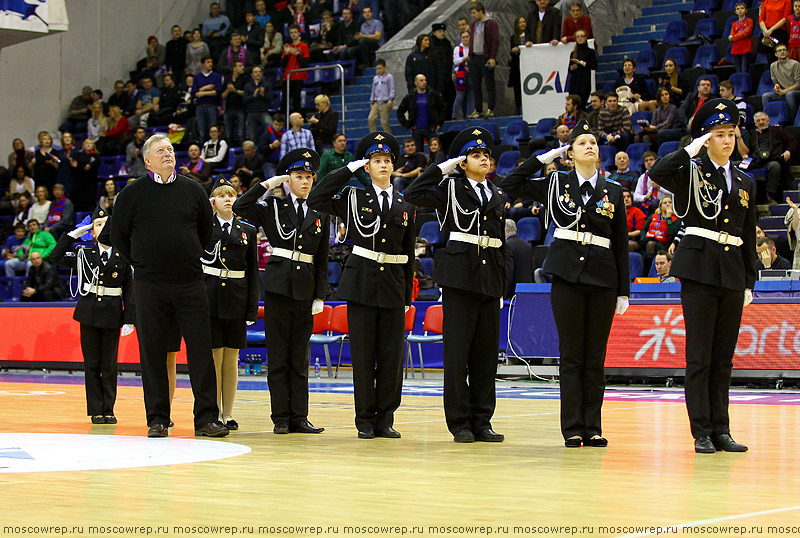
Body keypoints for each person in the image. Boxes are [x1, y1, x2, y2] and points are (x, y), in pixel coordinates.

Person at [502, 120, 629, 447]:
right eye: (581, 142)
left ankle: (593, 426)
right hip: (567, 277)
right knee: (572, 355)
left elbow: (620, 242)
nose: (590, 146)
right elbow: (511, 181)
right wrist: (545, 157)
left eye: (593, 142)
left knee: (595, 357)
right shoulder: (556, 183)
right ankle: (572, 427)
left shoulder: (613, 190)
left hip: (602, 278)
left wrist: (624, 290)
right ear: (570, 153)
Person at [648, 98, 756, 453]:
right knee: (700, 356)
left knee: (723, 356)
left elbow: (748, 232)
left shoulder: (745, 181)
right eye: (718, 134)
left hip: (732, 270)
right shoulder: (690, 171)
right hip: (698, 268)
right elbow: (657, 173)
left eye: (730, 133)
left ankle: (722, 428)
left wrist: (750, 281)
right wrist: (688, 148)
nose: (726, 140)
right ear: (706, 139)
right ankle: (702, 431)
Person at [110, 134, 228, 439]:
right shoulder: (131, 194)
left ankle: (206, 419)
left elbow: (206, 231)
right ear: (147, 159)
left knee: (201, 351)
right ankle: (158, 419)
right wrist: (141, 261)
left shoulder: (193, 189)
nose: (168, 154)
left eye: (171, 150)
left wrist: (189, 255)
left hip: (190, 282)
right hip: (150, 286)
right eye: (161, 150)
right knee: (152, 353)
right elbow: (119, 237)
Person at [307, 132, 415, 440]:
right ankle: (366, 418)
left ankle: (386, 418)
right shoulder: (354, 197)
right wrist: (348, 170)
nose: (382, 165)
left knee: (392, 358)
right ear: (367, 167)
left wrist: (407, 295)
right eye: (375, 161)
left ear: (393, 166)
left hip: (393, 285)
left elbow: (408, 254)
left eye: (386, 161)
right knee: (365, 356)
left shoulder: (405, 205)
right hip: (362, 283)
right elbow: (317, 198)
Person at [405, 127, 506, 444]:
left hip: (490, 280)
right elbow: (412, 193)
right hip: (460, 278)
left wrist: (501, 284)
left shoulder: (498, 194)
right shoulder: (449, 190)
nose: (483, 160)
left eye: (486, 155)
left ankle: (482, 420)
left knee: (486, 357)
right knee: (458, 355)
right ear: (463, 162)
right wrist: (443, 166)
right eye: (475, 156)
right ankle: (460, 422)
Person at [233, 149, 329, 434]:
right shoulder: (273, 206)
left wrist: (320, 295)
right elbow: (240, 206)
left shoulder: (319, 212)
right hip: (277, 288)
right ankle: (281, 418)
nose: (304, 182)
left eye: (309, 177)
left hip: (305, 289)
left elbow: (322, 258)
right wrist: (266, 185)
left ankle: (300, 416)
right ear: (288, 180)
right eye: (298, 176)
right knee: (278, 358)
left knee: (300, 358)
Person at [50, 206, 134, 424]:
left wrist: (129, 319)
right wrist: (72, 236)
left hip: (112, 314)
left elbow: (129, 289)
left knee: (109, 365)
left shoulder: (122, 255)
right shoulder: (84, 253)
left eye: (106, 224)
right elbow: (55, 256)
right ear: (92, 231)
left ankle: (109, 409)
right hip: (88, 313)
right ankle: (96, 409)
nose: (103, 227)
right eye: (98, 224)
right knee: (92, 364)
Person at [201, 177, 259, 429]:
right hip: (209, 297)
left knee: (232, 358)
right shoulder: (203, 228)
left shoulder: (247, 231)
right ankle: (212, 411)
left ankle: (229, 412)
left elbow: (253, 272)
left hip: (236, 298)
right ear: (212, 201)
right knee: (214, 357)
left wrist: (251, 308)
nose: (228, 199)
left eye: (232, 195)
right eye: (222, 195)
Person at [737, 111, 795, 205]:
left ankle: (770, 196)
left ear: (768, 121)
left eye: (763, 120)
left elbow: (792, 141)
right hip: (756, 160)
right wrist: (746, 156)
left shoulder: (777, 130)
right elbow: (748, 151)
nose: (761, 122)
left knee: (775, 166)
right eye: (758, 121)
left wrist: (788, 151)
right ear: (755, 123)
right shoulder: (752, 135)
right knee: (737, 165)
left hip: (772, 160)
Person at [397, 74, 445, 155]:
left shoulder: (433, 95)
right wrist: (407, 124)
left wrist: (439, 122)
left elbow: (443, 108)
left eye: (425, 80)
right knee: (419, 154)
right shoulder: (411, 96)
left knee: (436, 152)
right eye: (421, 80)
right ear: (416, 83)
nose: (424, 82)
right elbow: (400, 112)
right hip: (417, 129)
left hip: (431, 128)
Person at [468, 2, 499, 119]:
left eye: (474, 13)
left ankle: (491, 108)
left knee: (489, 84)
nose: (473, 15)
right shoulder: (473, 25)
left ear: (481, 11)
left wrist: (492, 57)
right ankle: (478, 109)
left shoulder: (491, 23)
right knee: (475, 85)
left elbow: (495, 41)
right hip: (474, 57)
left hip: (485, 56)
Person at [639, 195, 681, 272]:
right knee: (630, 245)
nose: (667, 204)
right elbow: (643, 230)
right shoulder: (653, 216)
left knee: (651, 245)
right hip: (647, 240)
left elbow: (672, 233)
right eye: (665, 203)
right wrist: (643, 238)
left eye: (670, 202)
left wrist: (669, 217)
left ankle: (646, 273)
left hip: (663, 245)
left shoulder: (676, 220)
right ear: (660, 206)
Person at [761, 43, 800, 121]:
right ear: (776, 54)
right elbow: (775, 81)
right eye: (779, 50)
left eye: (784, 50)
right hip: (783, 91)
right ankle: (768, 120)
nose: (782, 52)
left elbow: (798, 84)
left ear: (787, 52)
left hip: (796, 91)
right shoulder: (773, 66)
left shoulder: (795, 64)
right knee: (765, 96)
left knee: (789, 94)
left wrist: (784, 91)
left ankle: (791, 120)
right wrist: (777, 86)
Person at [191, 57, 224, 143]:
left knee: (213, 131)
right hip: (200, 107)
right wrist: (207, 88)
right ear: (203, 64)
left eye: (211, 62)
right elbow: (194, 93)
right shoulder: (197, 77)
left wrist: (202, 93)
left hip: (212, 106)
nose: (211, 64)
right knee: (202, 132)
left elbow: (218, 91)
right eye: (208, 62)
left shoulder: (216, 76)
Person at [281, 25, 310, 114]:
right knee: (285, 101)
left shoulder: (304, 46)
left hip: (298, 76)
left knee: (296, 100)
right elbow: (282, 64)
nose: (293, 34)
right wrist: (286, 54)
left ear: (299, 33)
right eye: (291, 33)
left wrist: (297, 54)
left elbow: (305, 63)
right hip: (288, 77)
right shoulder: (288, 47)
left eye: (295, 32)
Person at [566, 30, 597, 109]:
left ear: (586, 37)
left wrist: (581, 63)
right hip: (574, 82)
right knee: (573, 105)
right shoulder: (573, 53)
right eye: (578, 36)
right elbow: (569, 69)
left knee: (582, 104)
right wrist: (572, 68)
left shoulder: (590, 52)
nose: (580, 38)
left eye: (582, 36)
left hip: (584, 82)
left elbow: (594, 65)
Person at [430, 22, 455, 116]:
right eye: (440, 31)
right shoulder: (431, 45)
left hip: (448, 77)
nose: (442, 33)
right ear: (434, 33)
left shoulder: (447, 44)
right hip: (437, 78)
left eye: (443, 31)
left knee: (450, 99)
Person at [243, 65, 274, 141]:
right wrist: (253, 96)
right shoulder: (247, 86)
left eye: (259, 72)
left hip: (263, 112)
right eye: (255, 72)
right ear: (252, 74)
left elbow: (270, 98)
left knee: (271, 127)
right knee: (252, 136)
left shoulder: (267, 85)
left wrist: (263, 95)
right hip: (251, 113)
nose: (258, 73)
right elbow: (244, 100)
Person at [504, 219, 533, 297]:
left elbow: (508, 271)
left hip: (513, 294)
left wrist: (504, 293)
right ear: (515, 230)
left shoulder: (507, 245)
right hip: (527, 291)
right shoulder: (526, 245)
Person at [70, 139, 100, 212]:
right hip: (80, 182)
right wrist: (81, 167)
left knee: (90, 203)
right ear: (83, 145)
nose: (88, 145)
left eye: (90, 143)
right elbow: (76, 166)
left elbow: (93, 165)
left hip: (91, 182)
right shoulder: (78, 155)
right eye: (87, 143)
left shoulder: (96, 155)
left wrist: (82, 166)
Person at [222, 60, 247, 147]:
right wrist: (228, 91)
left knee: (241, 134)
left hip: (240, 108)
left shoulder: (245, 79)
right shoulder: (227, 79)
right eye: (239, 66)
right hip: (228, 109)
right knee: (228, 135)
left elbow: (246, 93)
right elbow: (223, 96)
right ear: (234, 68)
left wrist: (235, 90)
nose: (242, 67)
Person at [509, 17, 531, 116]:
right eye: (520, 22)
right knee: (517, 91)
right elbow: (511, 52)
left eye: (524, 22)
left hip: (529, 66)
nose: (522, 24)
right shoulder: (514, 37)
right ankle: (518, 112)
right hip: (517, 68)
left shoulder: (531, 36)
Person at [759, 0, 792, 64]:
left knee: (782, 59)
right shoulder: (767, 1)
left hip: (780, 32)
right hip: (768, 34)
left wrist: (771, 29)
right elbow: (761, 19)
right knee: (770, 59)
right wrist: (766, 31)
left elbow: (785, 18)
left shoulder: (787, 1)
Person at [452, 30, 473, 120]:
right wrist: (464, 58)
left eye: (467, 37)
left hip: (471, 73)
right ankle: (454, 116)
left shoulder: (472, 48)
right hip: (461, 74)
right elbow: (455, 61)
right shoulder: (457, 49)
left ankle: (470, 115)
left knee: (471, 96)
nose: (465, 39)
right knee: (459, 96)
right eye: (463, 37)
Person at [369, 59, 395, 133]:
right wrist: (372, 101)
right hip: (377, 102)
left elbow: (392, 88)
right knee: (371, 119)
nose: (379, 70)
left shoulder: (389, 77)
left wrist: (391, 99)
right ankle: (373, 135)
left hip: (385, 102)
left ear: (384, 67)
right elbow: (373, 90)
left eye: (380, 68)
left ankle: (388, 137)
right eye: (377, 69)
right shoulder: (375, 78)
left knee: (384, 122)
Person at [257, 113, 286, 178]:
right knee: (273, 184)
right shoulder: (266, 134)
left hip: (283, 163)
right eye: (276, 124)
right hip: (269, 163)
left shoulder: (286, 135)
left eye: (280, 125)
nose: (278, 127)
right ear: (272, 123)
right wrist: (271, 146)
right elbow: (260, 150)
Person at [729, 2, 754, 73]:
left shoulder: (749, 21)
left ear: (746, 10)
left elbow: (746, 33)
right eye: (738, 9)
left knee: (744, 70)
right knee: (738, 71)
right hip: (736, 49)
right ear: (735, 12)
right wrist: (733, 37)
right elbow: (731, 36)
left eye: (742, 8)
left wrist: (734, 37)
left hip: (746, 48)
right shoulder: (734, 24)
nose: (740, 10)